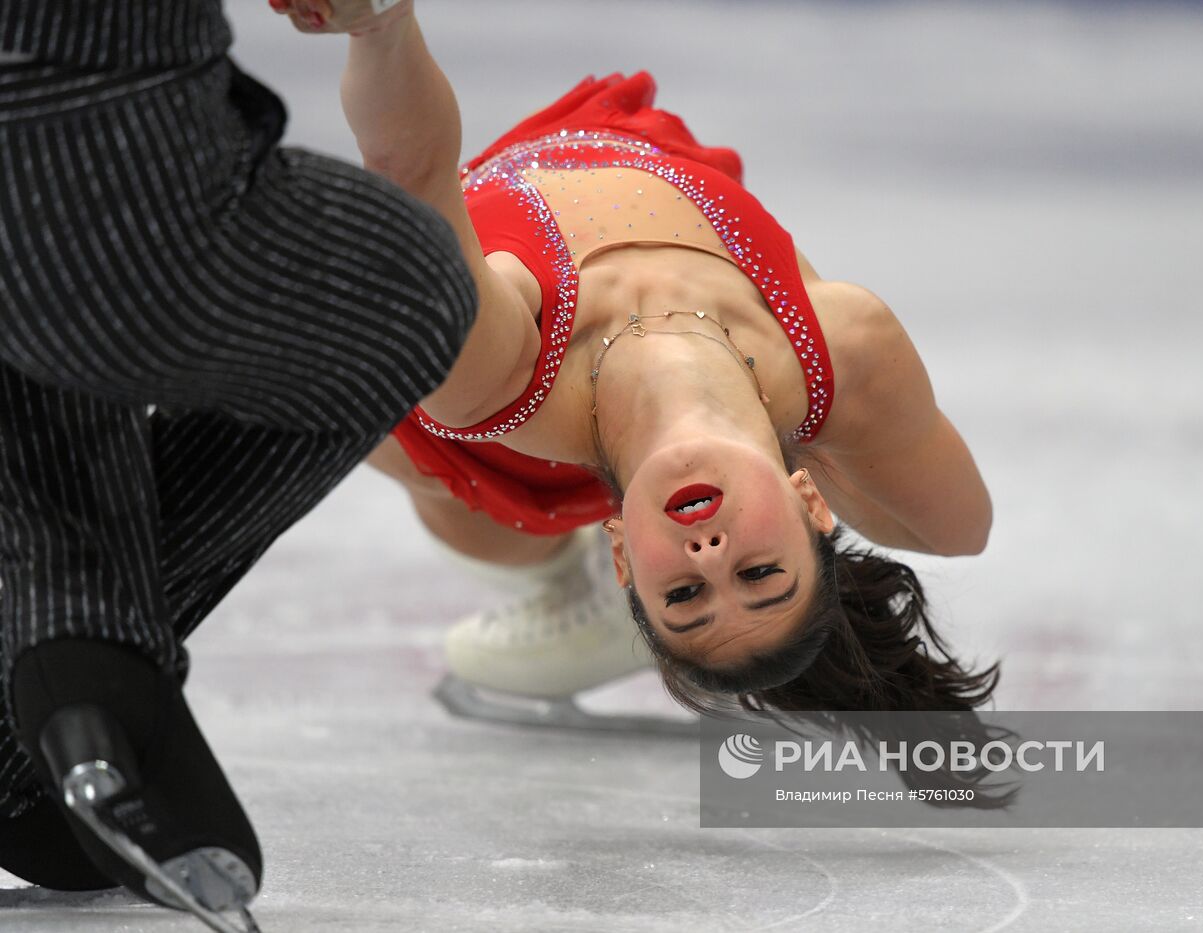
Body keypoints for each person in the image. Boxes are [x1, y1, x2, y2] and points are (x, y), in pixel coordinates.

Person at [279, 0, 1001, 730]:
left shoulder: (499, 375)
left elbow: (412, 174)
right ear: (811, 505)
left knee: (368, 390)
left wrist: (379, 24)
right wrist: (790, 445)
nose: (711, 555)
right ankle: (645, 569)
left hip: (439, 400)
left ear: (627, 558)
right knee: (948, 525)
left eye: (683, 594)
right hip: (618, 160)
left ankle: (569, 580)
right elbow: (962, 529)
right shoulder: (841, 347)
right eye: (759, 573)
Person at [0, 0, 492, 926]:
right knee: (405, 291)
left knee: (52, 325)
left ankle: (72, 647)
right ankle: (76, 665)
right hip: (74, 130)